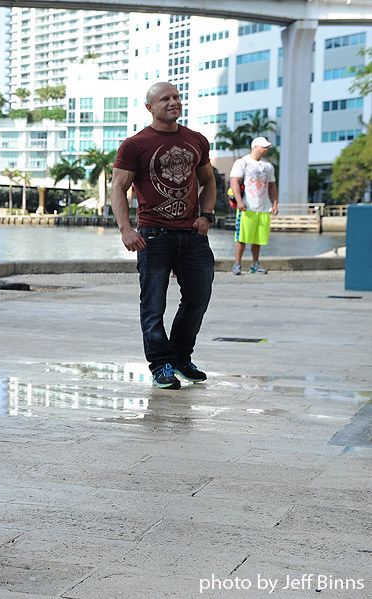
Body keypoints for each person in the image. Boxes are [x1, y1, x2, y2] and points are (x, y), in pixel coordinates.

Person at [109, 82, 217, 390]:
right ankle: (161, 364)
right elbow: (118, 188)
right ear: (150, 107)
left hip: (192, 236)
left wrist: (206, 215)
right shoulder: (135, 144)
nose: (173, 102)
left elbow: (209, 181)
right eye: (164, 98)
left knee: (198, 299)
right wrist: (126, 230)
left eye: (176, 97)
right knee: (153, 305)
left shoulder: (196, 140)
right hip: (153, 236)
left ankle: (181, 358)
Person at [229, 136, 279, 275]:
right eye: (263, 146)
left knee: (258, 238)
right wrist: (239, 201)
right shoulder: (243, 162)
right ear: (255, 147)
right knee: (241, 237)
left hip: (263, 207)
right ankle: (237, 264)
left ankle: (255, 264)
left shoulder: (268, 166)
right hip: (247, 206)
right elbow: (233, 181)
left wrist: (275, 203)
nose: (266, 149)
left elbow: (272, 186)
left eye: (267, 147)